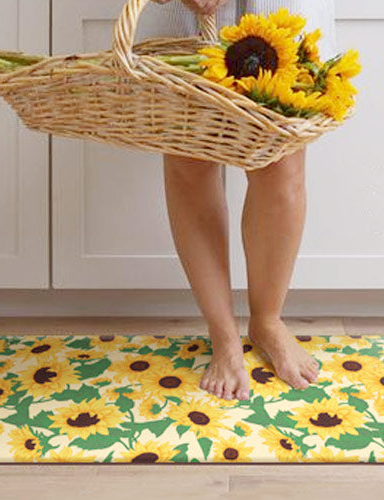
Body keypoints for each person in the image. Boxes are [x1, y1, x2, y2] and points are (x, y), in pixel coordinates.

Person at [143, 0, 337, 401]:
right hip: (186, 20)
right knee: (189, 160)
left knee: (281, 165)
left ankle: (267, 321)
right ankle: (223, 335)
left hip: (282, 11)